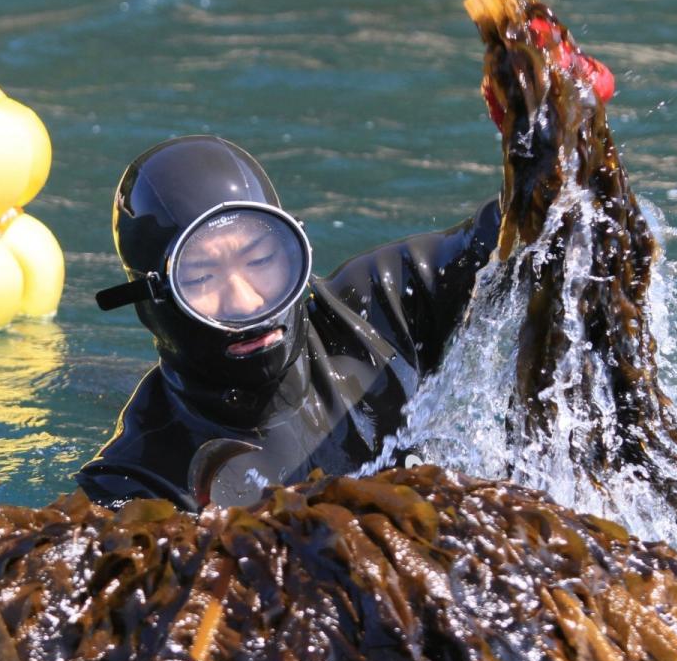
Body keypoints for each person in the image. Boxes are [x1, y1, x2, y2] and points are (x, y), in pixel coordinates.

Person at [75, 135, 501, 510]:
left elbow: (532, 226)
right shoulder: (138, 482)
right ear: (152, 306)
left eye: (261, 260)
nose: (246, 301)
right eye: (202, 278)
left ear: (295, 249)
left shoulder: (384, 310)